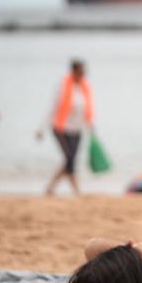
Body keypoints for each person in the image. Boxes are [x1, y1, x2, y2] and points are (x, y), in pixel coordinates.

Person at [37, 59, 94, 196]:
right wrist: (42, 128)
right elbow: (53, 107)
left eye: (84, 72)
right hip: (61, 128)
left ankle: (51, 187)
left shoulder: (84, 87)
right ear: (73, 71)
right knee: (69, 158)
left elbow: (86, 109)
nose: (83, 75)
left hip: (77, 129)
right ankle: (75, 188)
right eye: (81, 72)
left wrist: (90, 124)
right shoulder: (63, 86)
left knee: (71, 159)